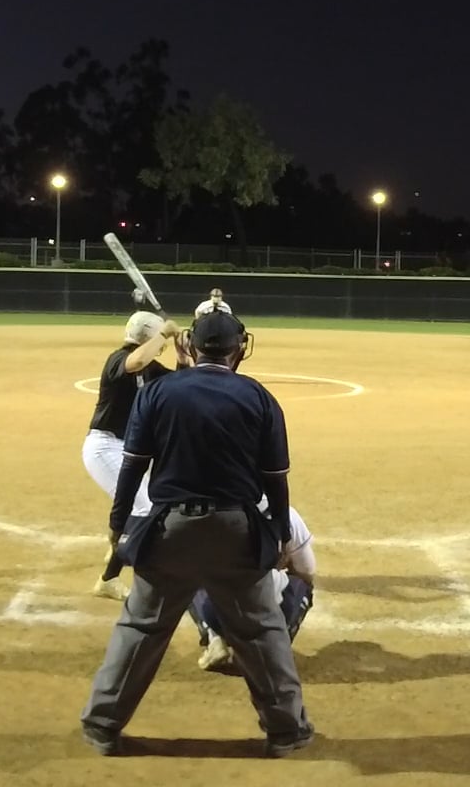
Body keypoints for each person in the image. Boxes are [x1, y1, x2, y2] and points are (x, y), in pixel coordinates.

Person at [80, 310, 313, 758]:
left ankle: (102, 726)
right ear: (238, 349)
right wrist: (281, 533)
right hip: (236, 531)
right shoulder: (258, 397)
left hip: (169, 530)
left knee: (140, 628)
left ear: (189, 345)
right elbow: (275, 479)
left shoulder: (159, 391)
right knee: (261, 632)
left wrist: (118, 525)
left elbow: (132, 467)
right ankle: (286, 731)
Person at [81, 310, 186, 600]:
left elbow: (180, 386)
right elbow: (136, 361)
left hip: (127, 449)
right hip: (104, 447)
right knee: (144, 506)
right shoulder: (118, 359)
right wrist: (164, 333)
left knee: (148, 503)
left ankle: (118, 547)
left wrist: (181, 355)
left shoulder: (150, 368)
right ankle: (109, 579)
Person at [195, 504, 314, 672]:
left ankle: (214, 637)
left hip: (218, 616)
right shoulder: (286, 515)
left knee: (191, 576)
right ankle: (274, 649)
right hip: (268, 618)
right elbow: (307, 572)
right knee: (303, 585)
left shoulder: (207, 512)